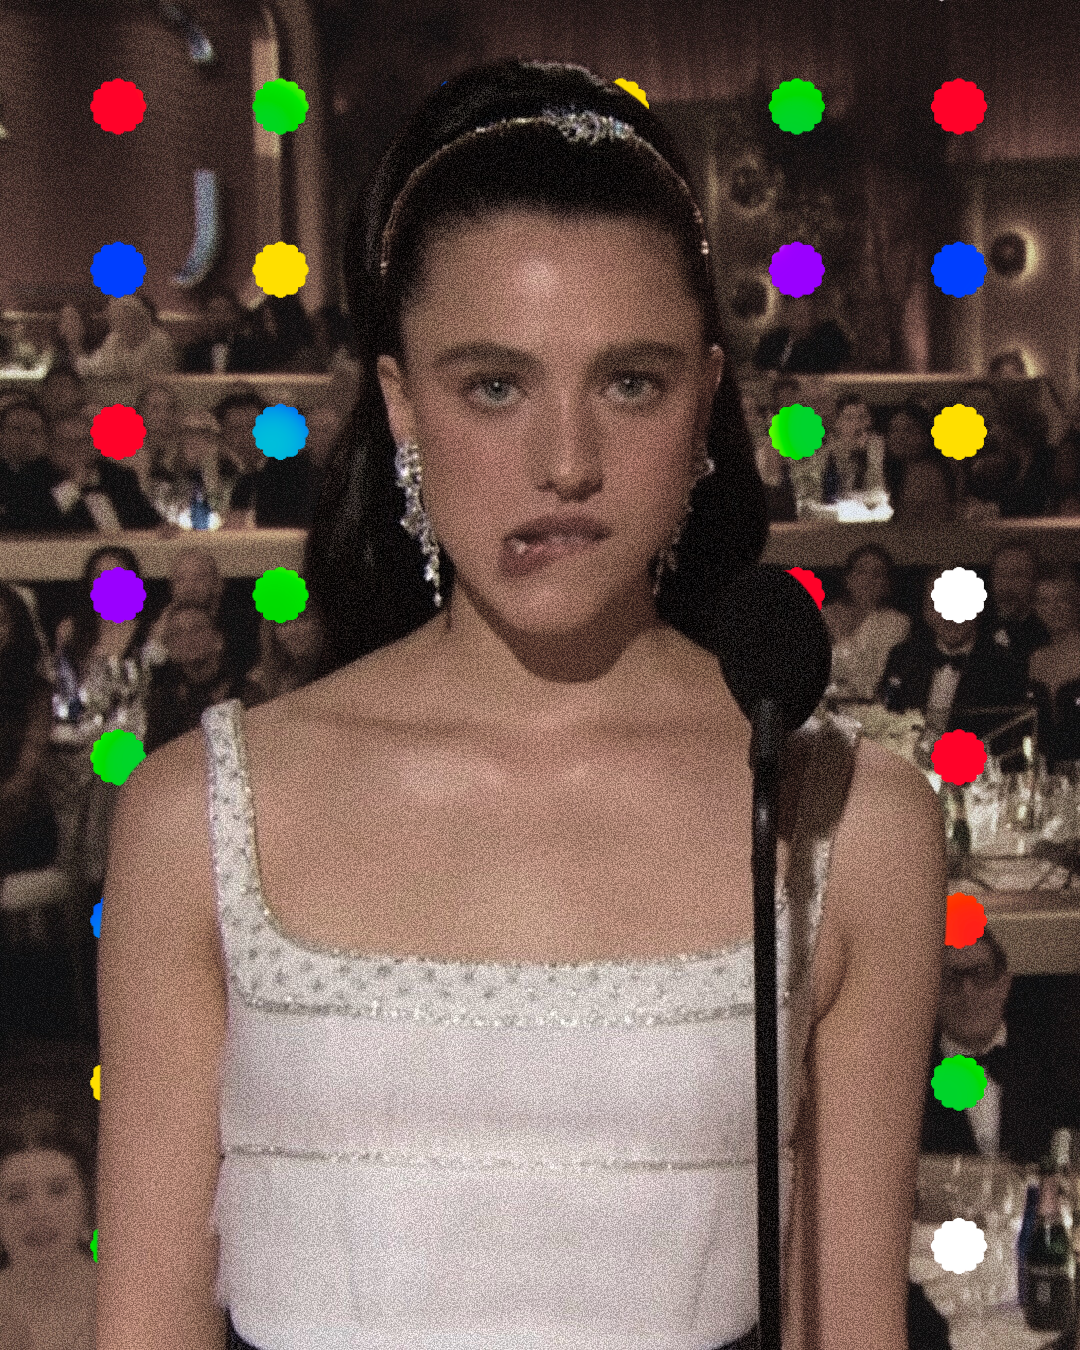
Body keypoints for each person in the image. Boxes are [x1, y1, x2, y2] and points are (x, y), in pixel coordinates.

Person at [97, 59, 947, 1350]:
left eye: (631, 381)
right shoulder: (196, 810)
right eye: (494, 383)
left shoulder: (845, 815)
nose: (566, 460)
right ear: (400, 403)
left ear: (708, 399)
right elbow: (146, 1322)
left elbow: (852, 1324)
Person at [920, 929, 1080, 1163]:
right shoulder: (907, 1081)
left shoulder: (1060, 1065)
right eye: (951, 978)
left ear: (1004, 985)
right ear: (932, 992)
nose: (967, 992)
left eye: (980, 974)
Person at [879, 570, 1029, 738]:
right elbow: (884, 718)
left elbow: (1006, 737)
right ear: (926, 612)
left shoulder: (1004, 665)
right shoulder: (903, 657)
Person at [0, 1107, 97, 1350]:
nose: (38, 1212)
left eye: (57, 1191)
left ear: (87, 1200)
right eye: (17, 1196)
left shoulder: (123, 1296)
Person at [141, 604, 247, 753]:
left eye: (197, 629)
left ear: (218, 641)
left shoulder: (244, 692)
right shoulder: (162, 700)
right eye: (177, 633)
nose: (187, 638)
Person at [44, 412, 162, 532]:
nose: (75, 449)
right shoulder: (34, 478)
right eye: (65, 443)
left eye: (82, 442)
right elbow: (41, 525)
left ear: (93, 446)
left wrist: (165, 529)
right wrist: (74, 485)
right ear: (51, 448)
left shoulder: (120, 476)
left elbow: (151, 521)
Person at [56, 294, 177, 408]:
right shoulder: (114, 339)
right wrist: (73, 345)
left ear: (139, 318)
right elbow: (92, 367)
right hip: (116, 396)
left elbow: (142, 374)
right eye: (115, 319)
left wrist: (113, 369)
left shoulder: (159, 341)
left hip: (151, 398)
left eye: (124, 317)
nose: (117, 324)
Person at [823, 545, 910, 702]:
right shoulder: (826, 613)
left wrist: (841, 636)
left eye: (877, 574)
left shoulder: (895, 622)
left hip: (866, 710)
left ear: (886, 584)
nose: (868, 579)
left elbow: (871, 686)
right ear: (848, 579)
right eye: (861, 571)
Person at [1027, 565, 1080, 770]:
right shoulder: (1035, 658)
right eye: (1044, 601)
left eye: (1062, 599)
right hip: (1046, 776)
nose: (1053, 608)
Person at [979, 543, 1049, 671]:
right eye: (1001, 575)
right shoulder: (977, 624)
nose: (1007, 584)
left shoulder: (1048, 630)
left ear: (1034, 580)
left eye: (1017, 575)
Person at [883, 402, 957, 524]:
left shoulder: (927, 474)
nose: (899, 437)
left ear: (925, 435)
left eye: (908, 430)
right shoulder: (905, 469)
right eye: (894, 430)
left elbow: (914, 527)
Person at [0, 399, 66, 533]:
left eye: (34, 431)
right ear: (1, 434)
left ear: (45, 438)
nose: (25, 437)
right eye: (16, 429)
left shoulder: (58, 477)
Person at [242, 605, 325, 708]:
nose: (292, 631)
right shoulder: (259, 684)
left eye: (302, 618)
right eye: (283, 623)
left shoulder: (339, 671)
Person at [180, 287, 255, 375]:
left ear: (235, 315)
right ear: (206, 316)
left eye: (225, 311)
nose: (219, 317)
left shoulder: (249, 349)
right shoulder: (193, 351)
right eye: (214, 311)